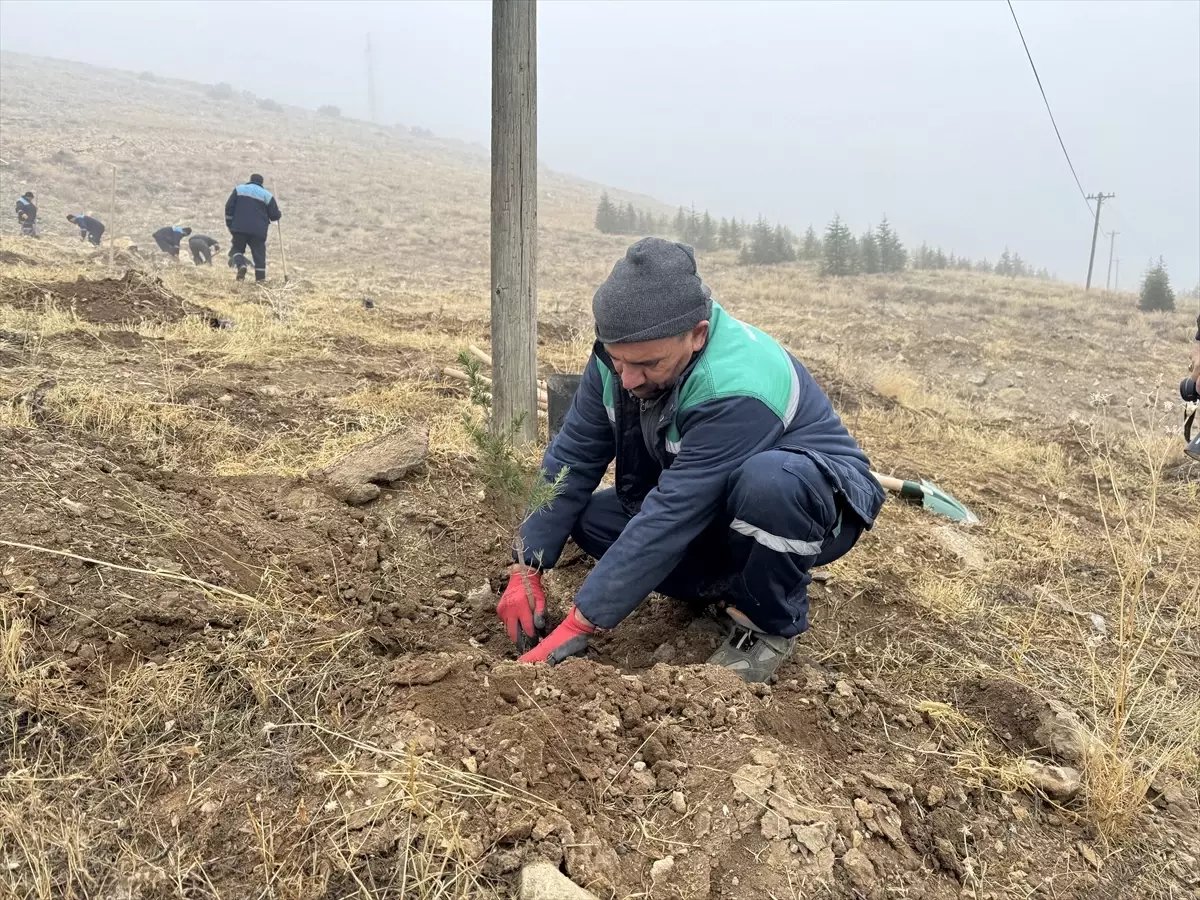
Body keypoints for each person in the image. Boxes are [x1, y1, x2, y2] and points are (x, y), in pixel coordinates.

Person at [497, 238, 886, 682]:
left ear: (697, 334)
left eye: (646, 364)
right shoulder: (619, 359)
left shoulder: (738, 385)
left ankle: (767, 624)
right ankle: (727, 585)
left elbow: (674, 513)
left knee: (772, 483)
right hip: (714, 501)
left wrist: (581, 622)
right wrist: (526, 565)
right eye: (617, 359)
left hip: (813, 505)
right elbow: (573, 456)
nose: (627, 379)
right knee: (590, 519)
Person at [224, 173, 281, 282]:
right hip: (258, 232)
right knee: (259, 256)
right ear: (261, 183)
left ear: (250, 180)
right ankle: (260, 281)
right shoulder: (267, 195)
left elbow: (229, 207)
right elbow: (274, 216)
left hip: (239, 227)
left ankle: (241, 265)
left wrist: (230, 224)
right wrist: (279, 213)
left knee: (236, 249)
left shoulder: (239, 189)